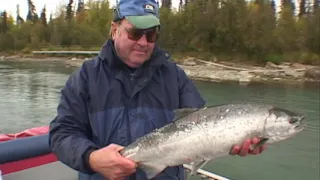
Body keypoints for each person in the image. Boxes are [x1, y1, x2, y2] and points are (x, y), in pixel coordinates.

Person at [48, 0, 266, 180]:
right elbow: (62, 134)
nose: (143, 42)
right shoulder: (85, 77)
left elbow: (204, 126)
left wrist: (235, 140)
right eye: (135, 33)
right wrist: (91, 158)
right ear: (114, 30)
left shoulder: (175, 77)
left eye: (151, 35)